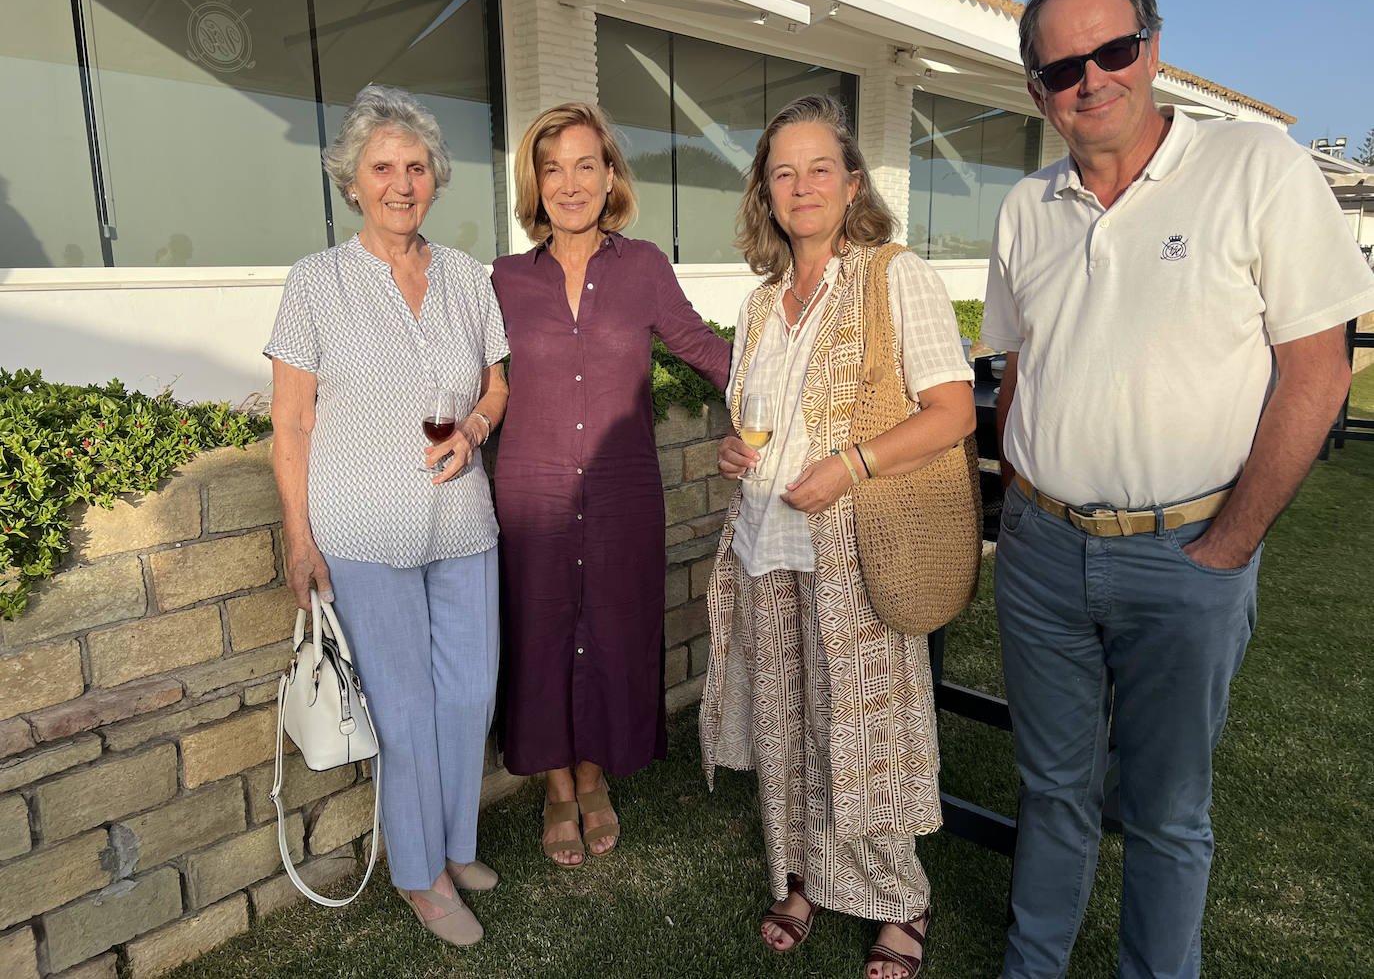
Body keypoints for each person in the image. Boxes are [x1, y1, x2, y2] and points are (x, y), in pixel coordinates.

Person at [981, 0, 1374, 979]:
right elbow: (1020, 368)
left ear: (1152, 49)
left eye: (1112, 50)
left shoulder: (1255, 167)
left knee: (1166, 809)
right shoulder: (1028, 205)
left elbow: (1319, 368)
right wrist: (1016, 510)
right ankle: (1034, 964)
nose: (1091, 79)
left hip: (1183, 559)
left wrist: (1230, 544)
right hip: (1039, 550)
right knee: (1053, 788)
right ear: (1037, 88)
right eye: (1063, 65)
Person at [700, 94, 976, 979]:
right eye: (784, 171)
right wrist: (734, 454)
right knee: (783, 724)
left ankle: (900, 898)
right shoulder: (758, 302)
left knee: (862, 727)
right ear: (767, 193)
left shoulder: (896, 277)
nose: (802, 185)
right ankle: (803, 872)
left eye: (821, 167)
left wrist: (851, 465)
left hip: (854, 550)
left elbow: (953, 411)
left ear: (852, 183)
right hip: (764, 545)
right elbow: (758, 418)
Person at [265, 84, 510, 947]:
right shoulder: (316, 283)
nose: (401, 182)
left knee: (469, 694)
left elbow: (497, 383)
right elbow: (290, 421)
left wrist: (477, 426)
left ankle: (450, 842)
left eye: (415, 167)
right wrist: (299, 538)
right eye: (382, 168)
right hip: (362, 531)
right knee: (403, 711)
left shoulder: (470, 279)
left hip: (461, 525)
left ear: (435, 179)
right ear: (354, 181)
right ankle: (419, 874)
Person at [492, 103, 730, 868]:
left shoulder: (645, 267)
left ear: (610, 176)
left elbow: (699, 344)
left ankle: (594, 776)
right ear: (535, 181)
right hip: (530, 492)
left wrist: (792, 383)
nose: (570, 182)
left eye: (585, 164)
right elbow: (464, 376)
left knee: (615, 629)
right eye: (552, 166)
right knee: (542, 634)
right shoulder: (499, 279)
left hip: (624, 492)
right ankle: (558, 787)